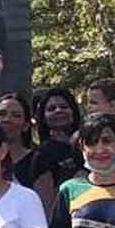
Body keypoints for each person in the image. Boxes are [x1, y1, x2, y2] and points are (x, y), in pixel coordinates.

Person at [31, 88, 83, 217]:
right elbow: (46, 204)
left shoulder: (90, 144)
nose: (58, 111)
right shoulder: (43, 153)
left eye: (64, 107)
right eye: (51, 109)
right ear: (43, 117)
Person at [0, 93, 37, 188]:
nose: (7, 119)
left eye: (16, 115)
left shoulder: (38, 160)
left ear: (26, 125)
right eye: (1, 114)